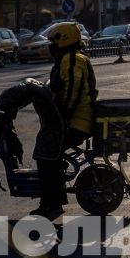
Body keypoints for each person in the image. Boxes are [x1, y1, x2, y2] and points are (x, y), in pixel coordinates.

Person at [38, 20, 97, 218]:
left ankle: (53, 204)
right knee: (49, 155)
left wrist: (62, 115)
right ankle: (53, 200)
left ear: (63, 41)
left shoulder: (72, 59)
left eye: (53, 42)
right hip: (73, 119)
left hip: (76, 121)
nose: (50, 46)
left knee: (47, 156)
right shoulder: (67, 59)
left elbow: (73, 91)